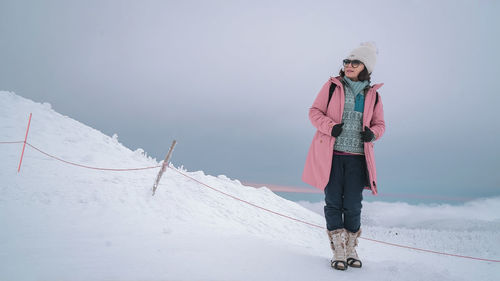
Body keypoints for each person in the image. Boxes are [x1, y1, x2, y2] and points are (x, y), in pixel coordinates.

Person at [302, 42, 385, 271]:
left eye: (355, 62)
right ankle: (338, 250)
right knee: (333, 202)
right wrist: (330, 127)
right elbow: (314, 112)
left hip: (358, 158)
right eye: (346, 61)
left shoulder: (373, 95)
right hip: (331, 156)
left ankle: (351, 249)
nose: (349, 65)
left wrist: (372, 134)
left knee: (353, 205)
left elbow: (380, 124)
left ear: (365, 67)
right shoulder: (332, 87)